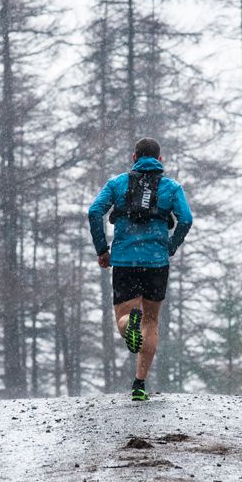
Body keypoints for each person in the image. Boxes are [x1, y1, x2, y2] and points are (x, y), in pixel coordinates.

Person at [87, 137, 193, 401]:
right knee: (151, 321)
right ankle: (139, 384)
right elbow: (186, 219)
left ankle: (128, 323)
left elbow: (94, 211)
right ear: (159, 160)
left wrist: (102, 249)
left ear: (134, 157)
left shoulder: (117, 183)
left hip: (125, 261)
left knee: (125, 317)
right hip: (156, 263)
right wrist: (171, 245)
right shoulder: (171, 187)